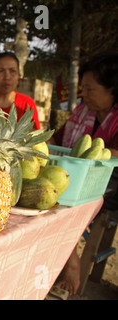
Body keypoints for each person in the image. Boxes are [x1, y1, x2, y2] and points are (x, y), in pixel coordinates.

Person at [49, 52, 118, 297]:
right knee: (50, 195)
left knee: (61, 202)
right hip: (76, 177)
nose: (84, 95)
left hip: (111, 184)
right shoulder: (82, 112)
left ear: (111, 89)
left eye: (90, 89)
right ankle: (63, 257)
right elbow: (58, 138)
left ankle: (70, 260)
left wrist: (100, 154)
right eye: (83, 89)